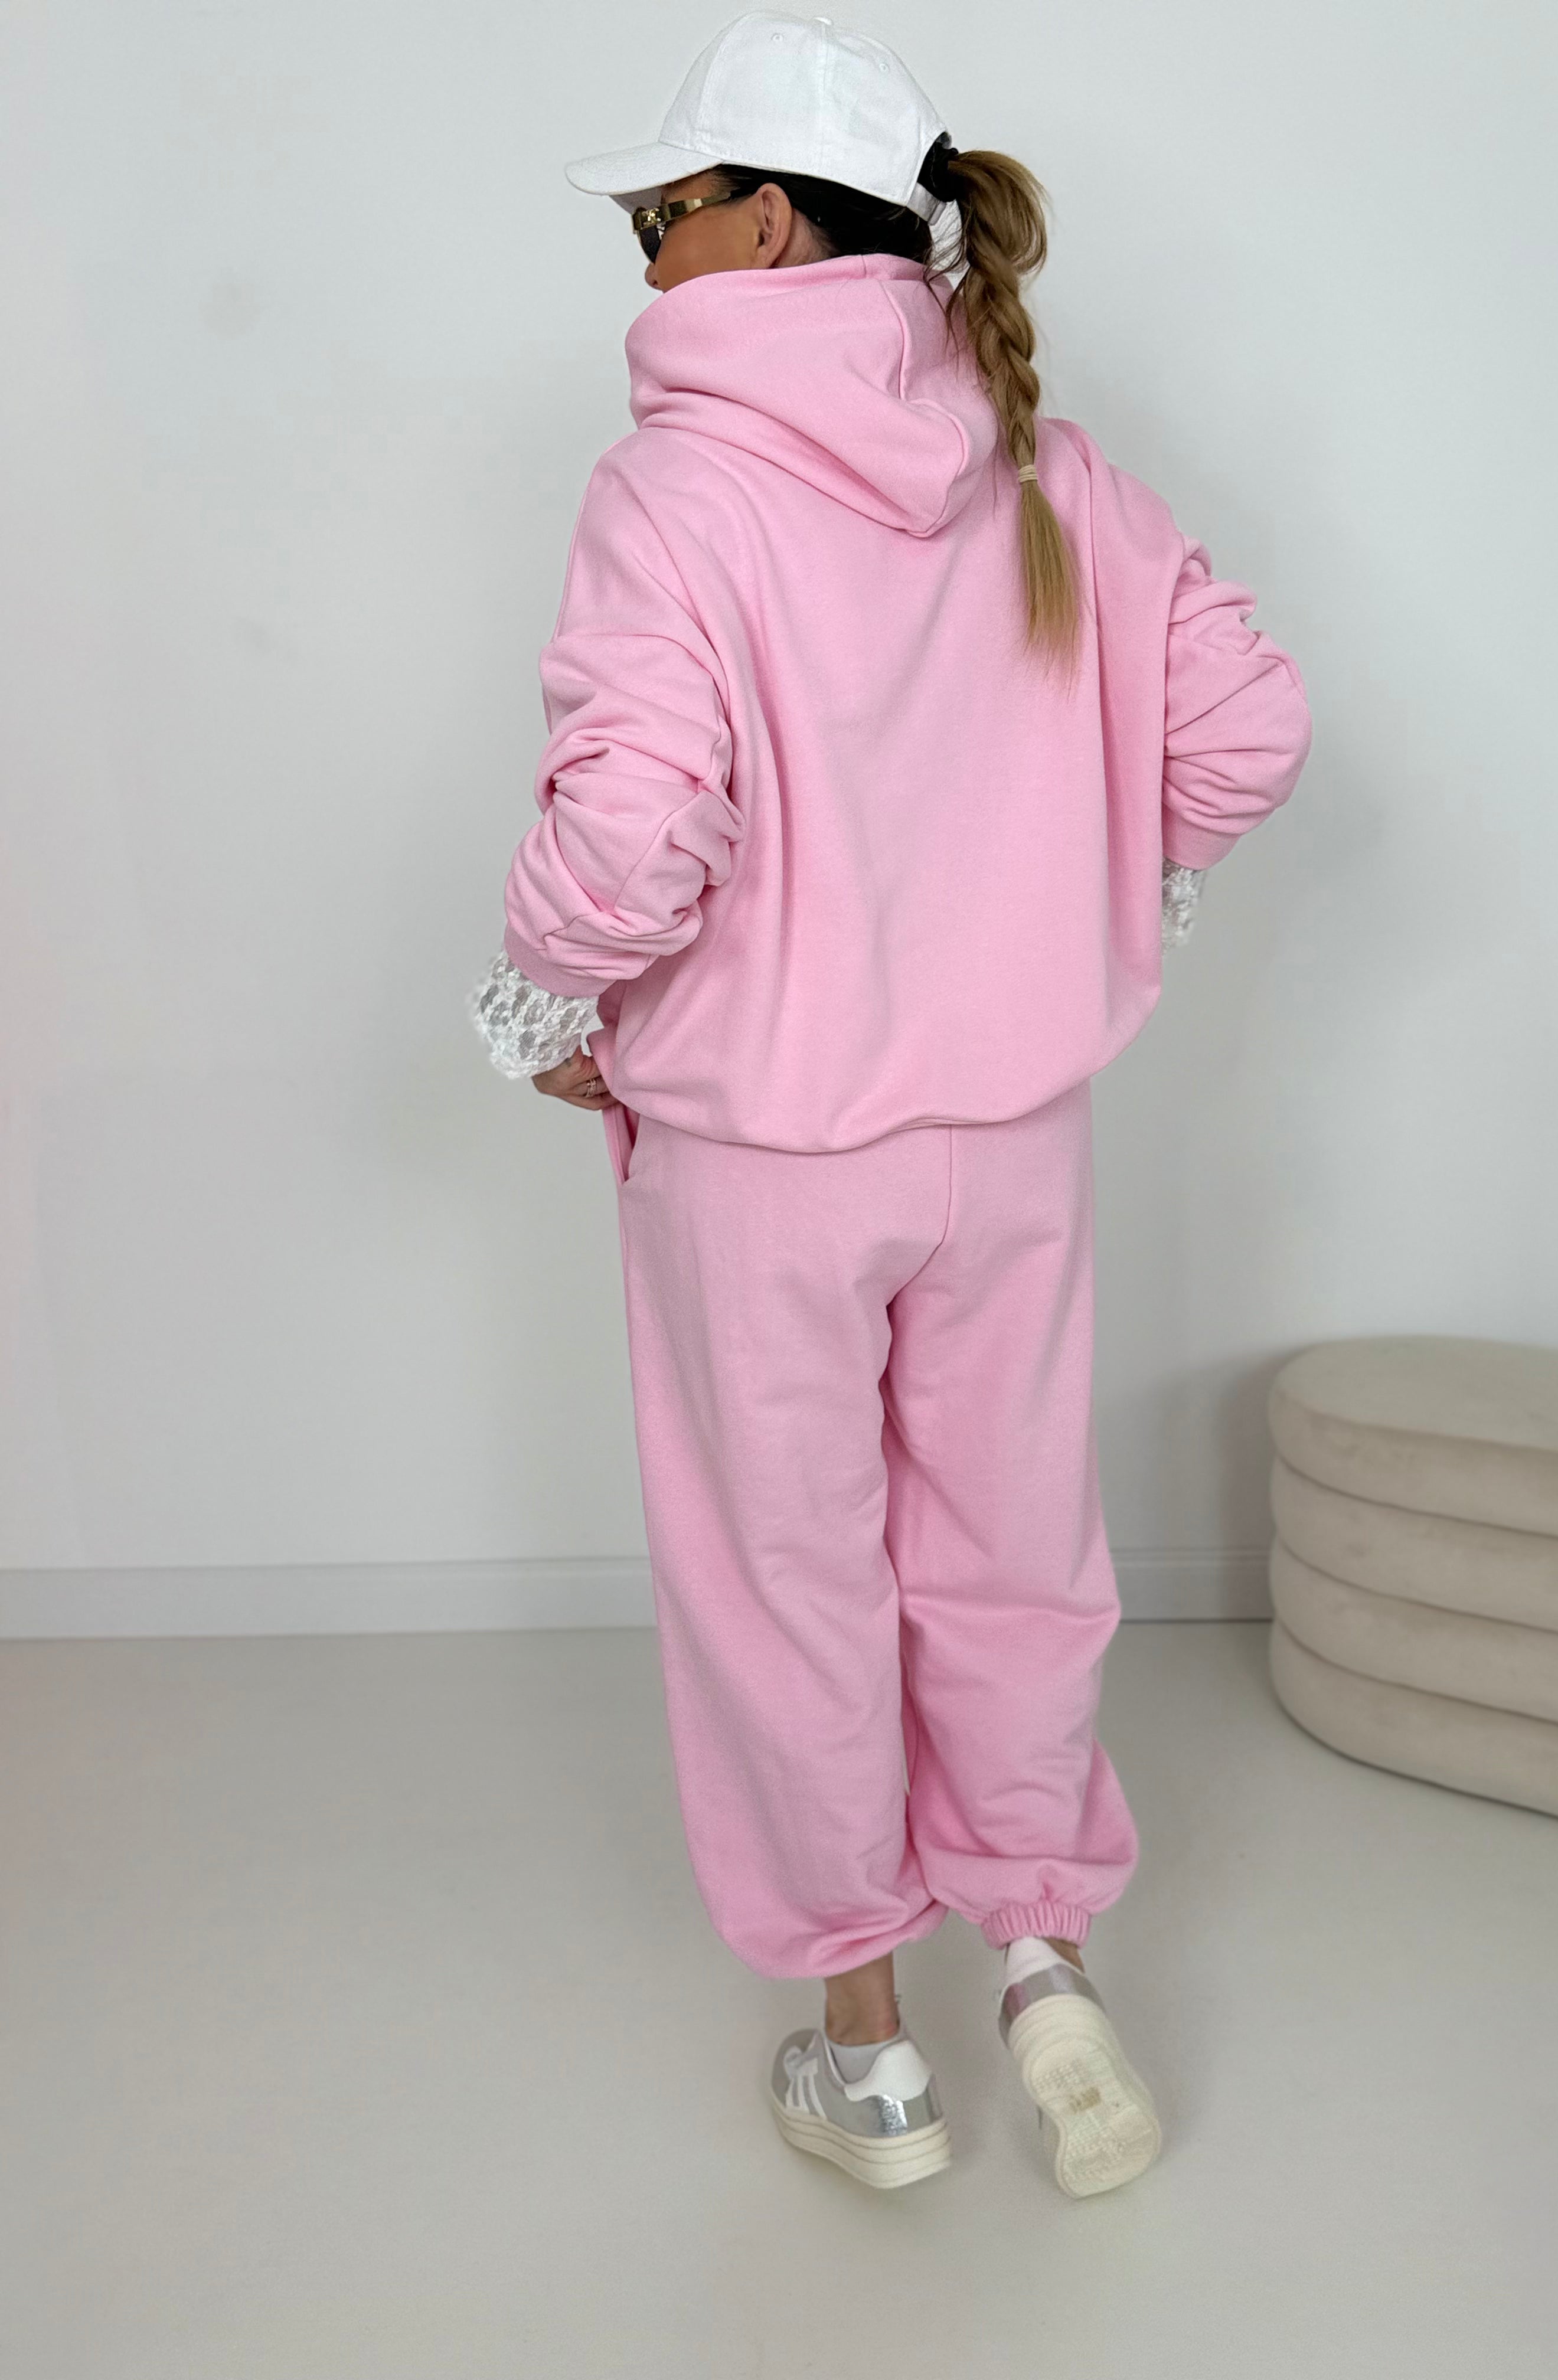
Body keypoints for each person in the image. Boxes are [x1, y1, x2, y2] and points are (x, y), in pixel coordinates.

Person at [468, 9, 1311, 2199]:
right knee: (1017, 1549)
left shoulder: (678, 489)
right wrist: (1111, 896)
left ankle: (872, 2055)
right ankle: (1047, 1964)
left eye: (665, 214)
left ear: (766, 222)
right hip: (1012, 1142)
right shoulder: (1047, 462)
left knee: (790, 1576)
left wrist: (545, 998)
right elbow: (1249, 726)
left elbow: (634, 826)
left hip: (766, 1156)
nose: (645, 254)